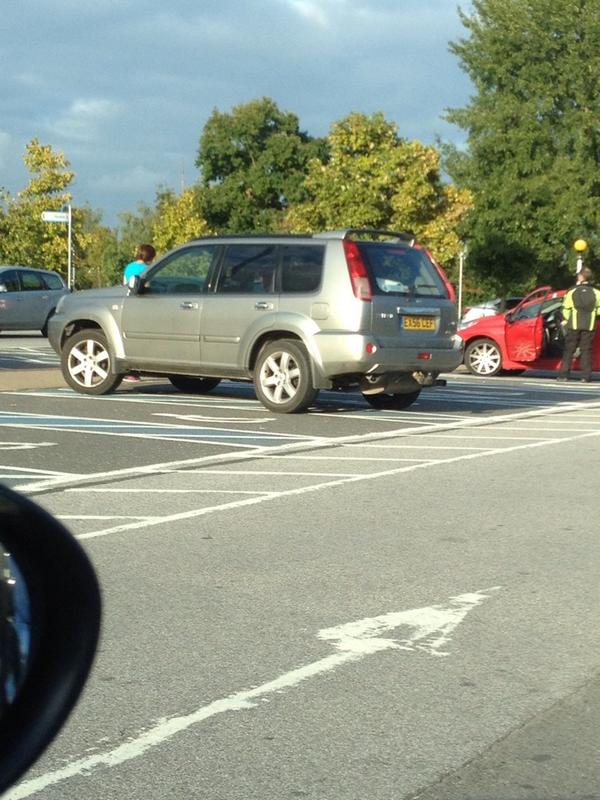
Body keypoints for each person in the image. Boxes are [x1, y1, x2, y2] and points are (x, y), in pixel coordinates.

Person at [557, 267, 600, 382]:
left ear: (581, 277)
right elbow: (599, 310)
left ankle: (564, 375)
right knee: (586, 350)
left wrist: (567, 319)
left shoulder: (572, 291)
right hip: (589, 325)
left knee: (569, 350)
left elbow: (566, 308)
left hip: (574, 324)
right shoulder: (597, 293)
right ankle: (585, 376)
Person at [122, 244, 156, 381]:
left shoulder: (129, 267)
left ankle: (130, 371)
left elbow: (124, 283)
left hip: (129, 302)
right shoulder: (148, 269)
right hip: (145, 304)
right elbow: (151, 286)